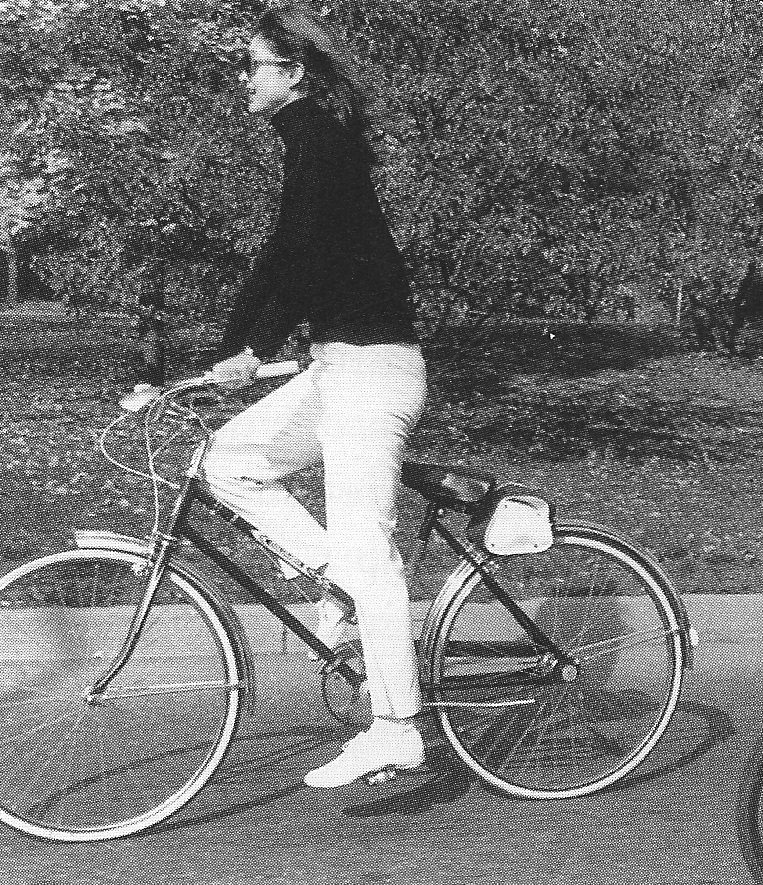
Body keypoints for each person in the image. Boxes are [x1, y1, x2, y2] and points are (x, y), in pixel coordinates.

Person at [202, 3, 428, 789]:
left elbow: (299, 255)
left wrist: (254, 348)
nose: (242, 77)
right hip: (339, 368)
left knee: (373, 554)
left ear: (293, 72)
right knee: (226, 460)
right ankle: (342, 581)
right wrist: (225, 353)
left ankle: (397, 726)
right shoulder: (308, 145)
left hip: (374, 372)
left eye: (252, 65)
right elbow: (279, 257)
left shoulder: (321, 145)